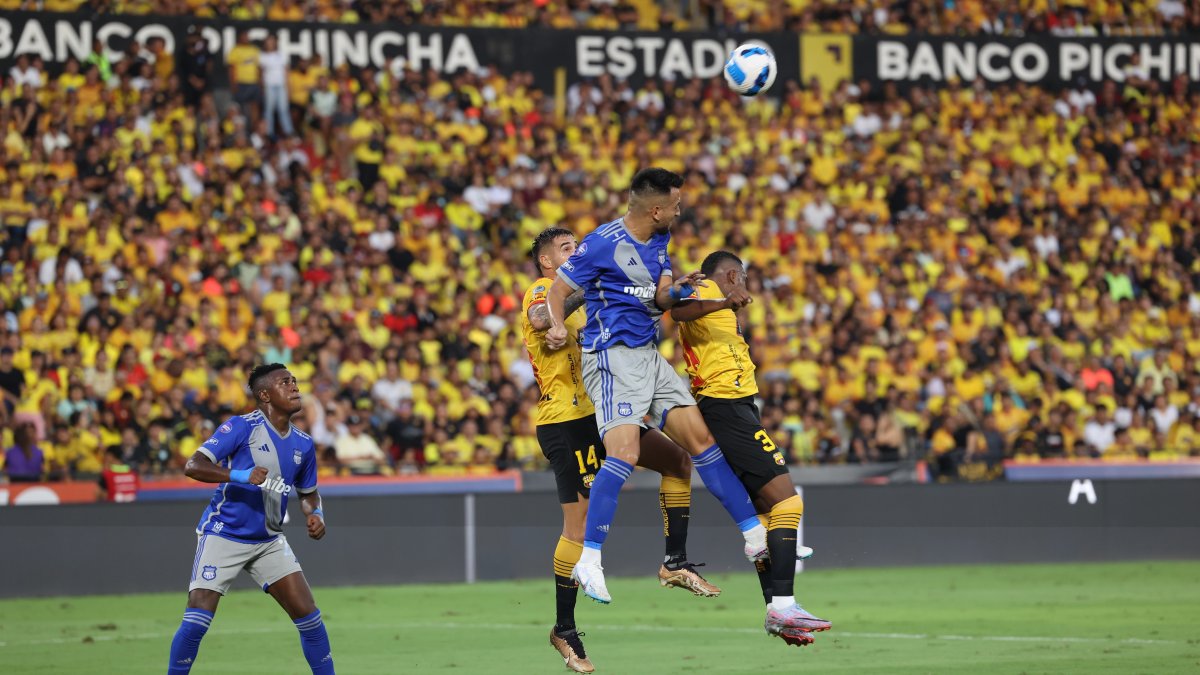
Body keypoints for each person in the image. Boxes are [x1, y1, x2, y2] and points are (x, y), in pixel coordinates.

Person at [544, 168, 768, 606]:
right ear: (656, 208)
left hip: (649, 356)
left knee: (700, 442)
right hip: (612, 357)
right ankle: (590, 560)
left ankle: (755, 536)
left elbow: (662, 299)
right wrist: (555, 324)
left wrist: (680, 291)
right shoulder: (601, 242)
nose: (681, 210)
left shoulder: (661, 240)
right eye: (677, 204)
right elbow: (557, 292)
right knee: (625, 453)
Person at [524, 227, 720, 673]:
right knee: (578, 526)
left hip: (609, 410)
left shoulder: (598, 286)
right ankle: (564, 628)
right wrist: (564, 309)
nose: (577, 252)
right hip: (568, 421)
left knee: (678, 461)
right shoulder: (544, 289)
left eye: (578, 245)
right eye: (566, 249)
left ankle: (675, 561)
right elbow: (540, 314)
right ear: (548, 263)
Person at [672, 250, 831, 646]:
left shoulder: (718, 302)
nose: (742, 287)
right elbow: (678, 312)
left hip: (734, 406)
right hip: (727, 406)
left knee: (763, 518)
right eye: (739, 278)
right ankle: (784, 603)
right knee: (788, 504)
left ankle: (777, 611)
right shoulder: (707, 288)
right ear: (731, 275)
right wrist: (725, 299)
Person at [166, 364, 333, 674]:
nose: (295, 386)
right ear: (265, 394)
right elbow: (193, 465)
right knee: (197, 619)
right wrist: (240, 475)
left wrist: (316, 513)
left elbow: (308, 494)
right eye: (286, 382)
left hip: (268, 540)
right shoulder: (241, 427)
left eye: (295, 381)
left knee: (310, 618)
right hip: (224, 534)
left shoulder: (304, 444)